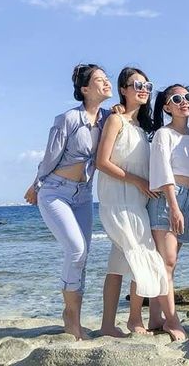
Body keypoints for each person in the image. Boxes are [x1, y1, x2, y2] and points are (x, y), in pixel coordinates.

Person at [95, 67, 186, 341]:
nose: (143, 89)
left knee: (118, 262)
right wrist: (136, 181)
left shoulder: (145, 128)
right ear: (124, 89)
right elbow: (102, 162)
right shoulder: (116, 120)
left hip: (138, 203)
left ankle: (107, 325)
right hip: (118, 200)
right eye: (137, 84)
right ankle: (135, 318)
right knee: (141, 255)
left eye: (147, 84)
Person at [23, 63, 112, 340]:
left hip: (84, 196)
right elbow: (51, 157)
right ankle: (70, 317)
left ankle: (75, 318)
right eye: (100, 80)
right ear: (85, 89)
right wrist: (36, 184)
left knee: (83, 257)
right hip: (55, 191)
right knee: (75, 250)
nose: (106, 83)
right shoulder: (68, 119)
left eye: (107, 79)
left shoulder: (108, 118)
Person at [132, 84, 189, 332]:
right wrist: (174, 206)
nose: (184, 102)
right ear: (166, 106)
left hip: (187, 197)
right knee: (167, 262)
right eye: (176, 98)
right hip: (167, 198)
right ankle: (172, 321)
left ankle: (155, 319)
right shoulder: (164, 133)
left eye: (188, 97)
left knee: (167, 262)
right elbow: (163, 171)